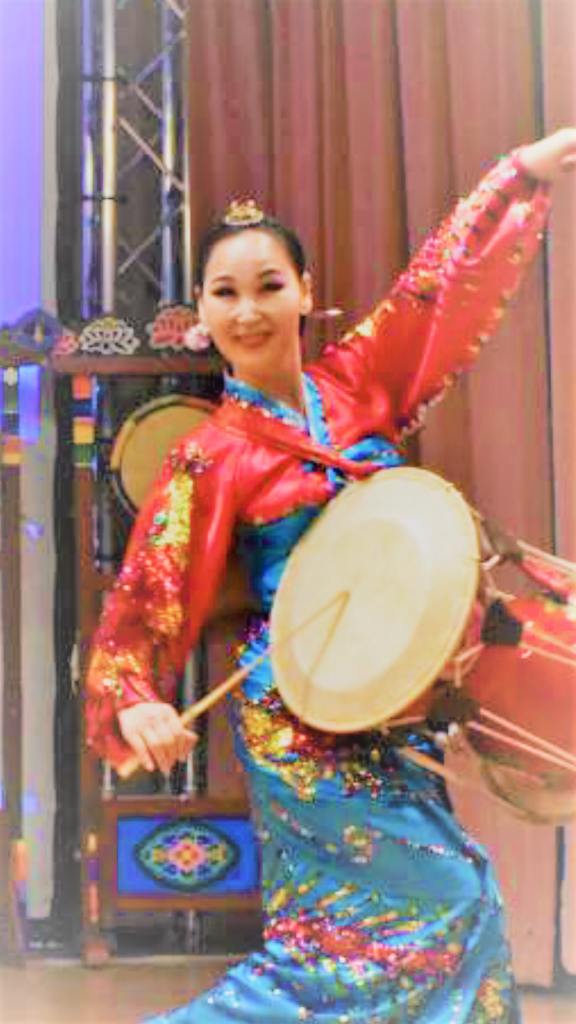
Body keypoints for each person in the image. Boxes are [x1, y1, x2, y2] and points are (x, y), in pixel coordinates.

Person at [86, 129, 576, 1023]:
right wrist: (134, 700)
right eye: (225, 292)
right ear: (201, 312)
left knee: (375, 937)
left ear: (306, 293)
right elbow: (144, 599)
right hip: (294, 714)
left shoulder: (356, 385)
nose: (248, 310)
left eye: (269, 285)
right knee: (433, 910)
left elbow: (436, 295)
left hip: (393, 695)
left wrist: (515, 181)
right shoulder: (208, 458)